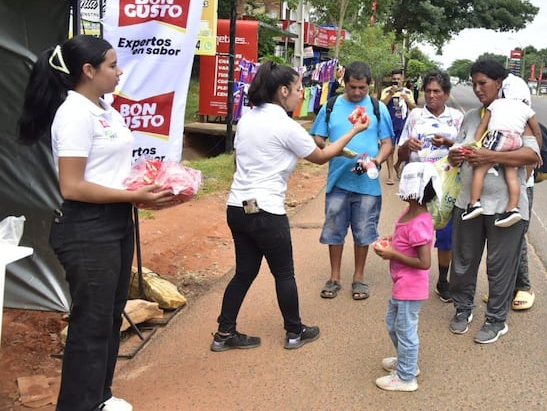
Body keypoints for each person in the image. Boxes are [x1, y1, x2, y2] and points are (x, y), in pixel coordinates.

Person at [17, 35, 174, 411]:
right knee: (91, 323)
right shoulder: (72, 114)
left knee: (109, 315)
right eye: (112, 65)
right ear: (88, 71)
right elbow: (72, 186)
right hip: (87, 228)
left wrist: (146, 181)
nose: (120, 72)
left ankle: (99, 397)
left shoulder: (107, 110)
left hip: (116, 222)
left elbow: (109, 171)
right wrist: (133, 196)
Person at [212, 61, 369, 353]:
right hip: (267, 210)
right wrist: (355, 132)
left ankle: (224, 333)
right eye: (298, 89)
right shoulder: (285, 125)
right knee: (284, 273)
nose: (301, 95)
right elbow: (322, 156)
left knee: (245, 271)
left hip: (238, 206)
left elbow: (238, 161)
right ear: (283, 91)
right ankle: (295, 332)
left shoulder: (247, 119)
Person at [447, 59, 540, 344]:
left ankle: (496, 319)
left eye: (483, 83)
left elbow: (533, 156)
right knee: (463, 261)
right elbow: (461, 145)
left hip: (505, 206)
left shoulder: (517, 115)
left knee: (500, 266)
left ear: (500, 83)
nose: (477, 89)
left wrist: (491, 157)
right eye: (474, 83)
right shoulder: (472, 117)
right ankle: (463, 308)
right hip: (469, 203)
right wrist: (454, 155)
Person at [311, 61, 394, 300]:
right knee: (334, 230)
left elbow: (388, 143)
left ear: (370, 86)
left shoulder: (378, 108)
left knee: (363, 230)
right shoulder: (332, 105)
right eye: (352, 87)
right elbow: (317, 137)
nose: (357, 92)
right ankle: (334, 277)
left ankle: (359, 278)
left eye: (362, 88)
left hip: (367, 183)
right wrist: (329, 148)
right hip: (337, 180)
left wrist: (377, 161)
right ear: (344, 83)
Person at [397, 71, 463, 303]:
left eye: (437, 92)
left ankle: (443, 280)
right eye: (428, 91)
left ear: (447, 94)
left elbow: (466, 148)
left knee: (445, 234)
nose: (432, 96)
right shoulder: (415, 116)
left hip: (446, 185)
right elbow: (401, 151)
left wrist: (448, 143)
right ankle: (412, 275)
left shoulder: (456, 118)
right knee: (417, 230)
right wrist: (408, 145)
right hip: (419, 185)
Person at [372, 162, 439, 392]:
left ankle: (406, 377)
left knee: (405, 330)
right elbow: (404, 237)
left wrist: (392, 253)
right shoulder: (409, 212)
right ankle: (405, 362)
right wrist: (392, 239)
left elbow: (424, 262)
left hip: (411, 287)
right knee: (393, 324)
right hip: (401, 283)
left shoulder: (420, 222)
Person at [459, 96, 539, 228]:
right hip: (516, 140)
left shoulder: (496, 103)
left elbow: (482, 125)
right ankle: (512, 208)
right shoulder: (526, 108)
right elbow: (536, 130)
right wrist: (538, 150)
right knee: (511, 175)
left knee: (480, 169)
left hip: (499, 137)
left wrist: (475, 143)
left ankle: (474, 203)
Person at [499, 72, 538, 310]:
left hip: (520, 186)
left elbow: (531, 163)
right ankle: (506, 288)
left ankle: (523, 286)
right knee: (502, 237)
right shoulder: (498, 121)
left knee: (517, 234)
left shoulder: (527, 124)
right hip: (501, 186)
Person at [380, 69, 415, 185]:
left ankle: (398, 164)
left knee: (405, 149)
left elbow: (414, 109)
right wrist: (390, 94)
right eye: (394, 79)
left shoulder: (408, 92)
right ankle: (390, 175)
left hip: (404, 125)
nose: (396, 81)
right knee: (390, 149)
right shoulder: (386, 91)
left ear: (403, 80)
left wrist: (407, 100)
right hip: (389, 124)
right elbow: (381, 105)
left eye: (398, 79)